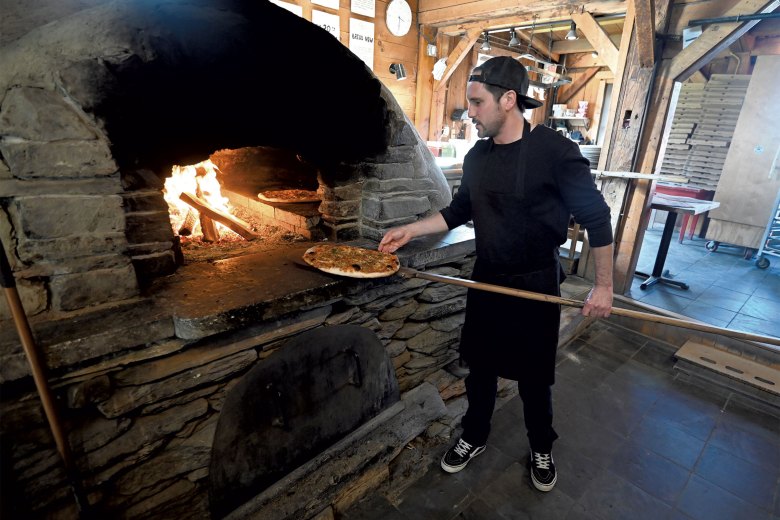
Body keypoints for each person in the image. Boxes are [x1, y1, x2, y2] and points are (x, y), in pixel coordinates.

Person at [378, 56, 614, 492]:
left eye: (477, 102)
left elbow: (598, 219)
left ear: (509, 100)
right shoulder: (478, 155)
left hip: (536, 282)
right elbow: (458, 211)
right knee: (481, 368)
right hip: (487, 277)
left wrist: (603, 286)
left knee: (534, 377)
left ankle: (541, 444)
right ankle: (475, 434)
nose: (469, 111)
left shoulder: (556, 153)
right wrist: (411, 229)